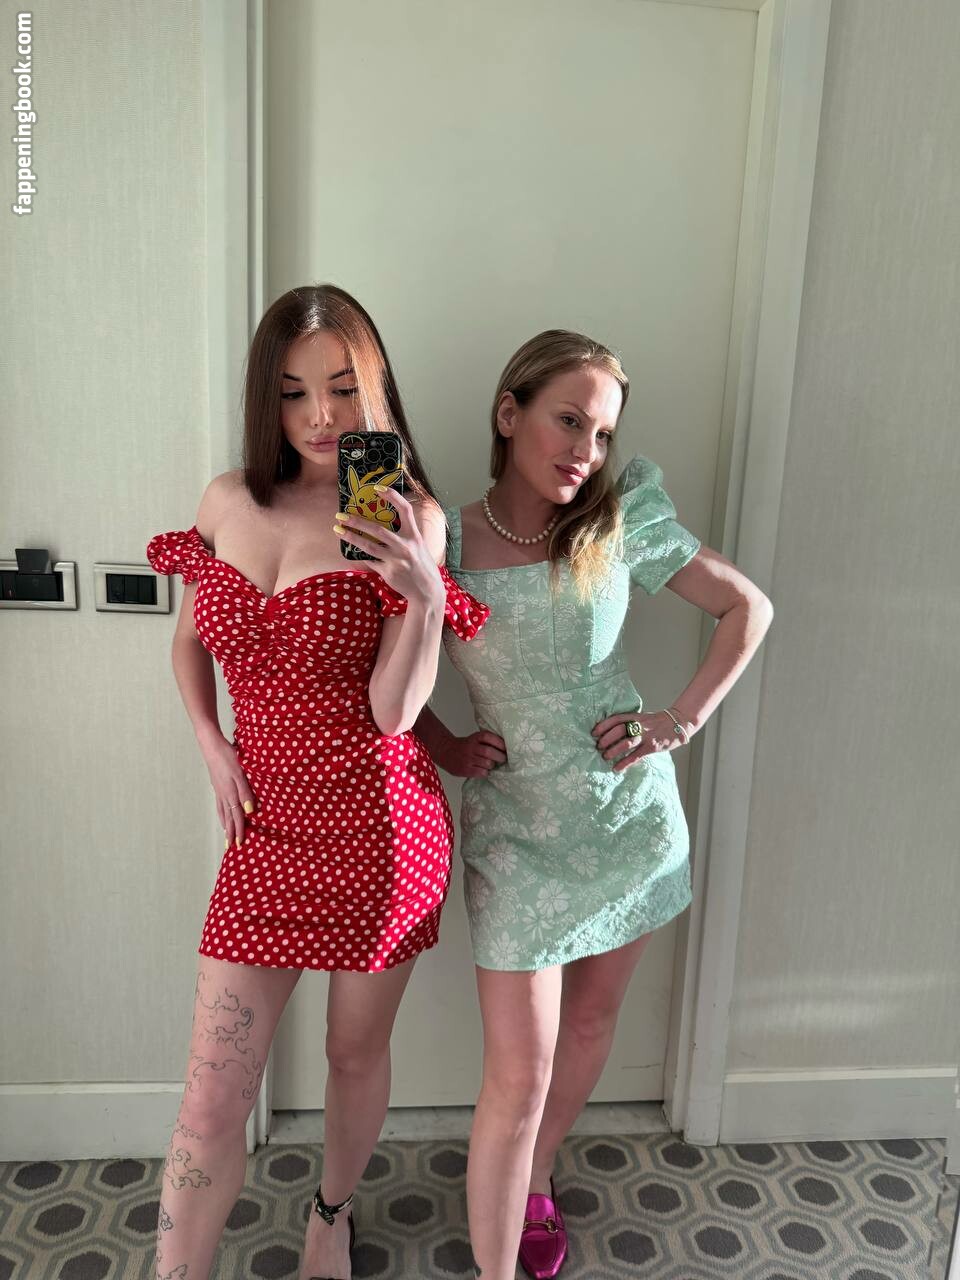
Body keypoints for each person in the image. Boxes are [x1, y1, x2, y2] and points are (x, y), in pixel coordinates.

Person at [146, 284, 489, 1280]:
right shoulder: (229, 500)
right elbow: (190, 641)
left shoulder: (405, 515)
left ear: (375, 387)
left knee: (351, 1054)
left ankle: (330, 1216)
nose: (322, 416)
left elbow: (394, 713)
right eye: (294, 393)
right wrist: (212, 742)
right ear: (268, 399)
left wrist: (423, 598)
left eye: (342, 387)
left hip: (379, 832)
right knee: (212, 1094)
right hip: (263, 834)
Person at [415, 329, 773, 1280]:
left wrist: (677, 722)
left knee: (586, 1027)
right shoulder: (441, 540)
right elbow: (378, 671)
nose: (586, 450)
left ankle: (536, 1171)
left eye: (603, 433)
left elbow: (748, 608)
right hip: (514, 834)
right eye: (569, 420)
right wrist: (445, 743)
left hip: (625, 819)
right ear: (510, 414)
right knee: (517, 1070)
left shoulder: (620, 521)